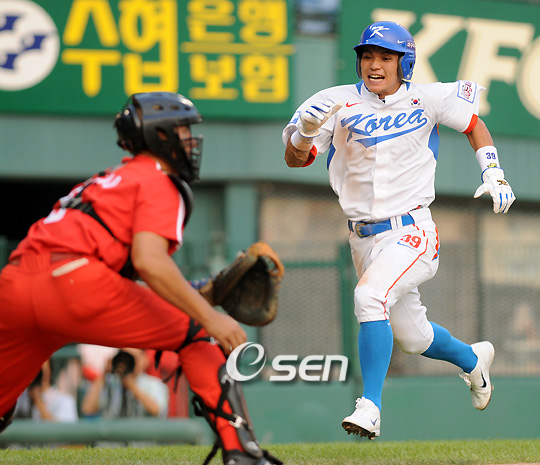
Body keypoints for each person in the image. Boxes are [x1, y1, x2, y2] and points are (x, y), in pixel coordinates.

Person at [0, 92, 281, 465]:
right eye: (182, 129)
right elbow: (149, 262)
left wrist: (206, 293)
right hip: (75, 282)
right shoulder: (158, 179)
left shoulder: (104, 180)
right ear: (159, 135)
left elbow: (126, 283)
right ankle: (242, 455)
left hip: (15, 284)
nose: (190, 139)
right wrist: (210, 317)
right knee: (198, 333)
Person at [282, 21, 515, 439]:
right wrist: (304, 134)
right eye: (367, 56)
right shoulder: (333, 101)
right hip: (362, 237)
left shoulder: (428, 97)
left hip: (413, 229)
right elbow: (295, 160)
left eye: (385, 57)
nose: (374, 64)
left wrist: (493, 172)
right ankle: (473, 360)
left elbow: (473, 124)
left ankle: (370, 406)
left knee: (369, 297)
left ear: (404, 62)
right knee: (413, 337)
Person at [80, 348, 168, 418]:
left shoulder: (153, 384)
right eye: (124, 357)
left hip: (140, 434)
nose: (128, 362)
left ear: (144, 360)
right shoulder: (109, 382)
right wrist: (103, 374)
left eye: (133, 358)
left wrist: (131, 385)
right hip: (112, 434)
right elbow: (87, 409)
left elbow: (156, 410)